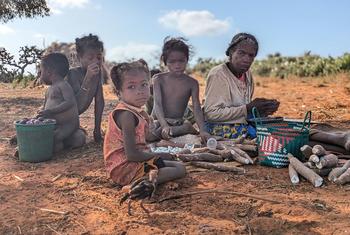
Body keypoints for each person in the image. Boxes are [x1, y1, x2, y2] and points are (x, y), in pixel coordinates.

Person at [103, 60, 186, 186]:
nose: (140, 91)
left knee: (178, 165)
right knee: (179, 169)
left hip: (134, 162)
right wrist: (157, 156)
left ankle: (148, 178)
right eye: (131, 87)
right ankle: (142, 183)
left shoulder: (136, 112)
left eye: (144, 84)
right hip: (124, 168)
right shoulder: (126, 115)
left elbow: (146, 137)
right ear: (119, 93)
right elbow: (131, 154)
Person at [203, 33, 280, 139]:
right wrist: (248, 108)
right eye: (241, 53)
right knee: (261, 136)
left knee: (275, 128)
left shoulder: (247, 74)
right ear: (231, 53)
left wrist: (263, 108)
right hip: (216, 126)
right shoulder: (218, 74)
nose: (246, 59)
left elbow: (242, 106)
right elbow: (211, 114)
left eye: (251, 55)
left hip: (240, 122)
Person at [152, 37, 211, 141]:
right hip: (159, 121)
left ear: (187, 60)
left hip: (176, 122)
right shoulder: (158, 79)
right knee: (150, 133)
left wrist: (202, 130)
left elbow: (197, 108)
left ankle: (185, 128)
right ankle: (186, 128)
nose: (177, 65)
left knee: (164, 133)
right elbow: (157, 105)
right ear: (165, 62)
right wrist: (164, 125)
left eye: (181, 61)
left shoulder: (192, 83)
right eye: (172, 62)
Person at [38, 53, 86, 152]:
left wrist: (51, 111)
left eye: (41, 71)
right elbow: (45, 107)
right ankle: (62, 143)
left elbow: (70, 102)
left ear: (49, 72)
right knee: (43, 135)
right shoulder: (49, 89)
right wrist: (41, 114)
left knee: (53, 139)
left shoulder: (63, 85)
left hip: (67, 125)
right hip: (53, 125)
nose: (39, 74)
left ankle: (55, 145)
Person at [66, 34, 105, 143]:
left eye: (99, 57)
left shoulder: (97, 74)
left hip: (71, 121)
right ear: (79, 58)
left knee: (79, 139)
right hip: (59, 118)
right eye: (90, 57)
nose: (96, 61)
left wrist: (97, 130)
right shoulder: (72, 75)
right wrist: (87, 79)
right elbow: (75, 106)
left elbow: (99, 101)